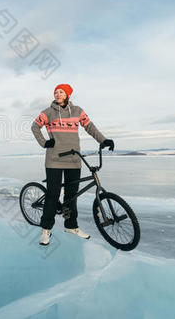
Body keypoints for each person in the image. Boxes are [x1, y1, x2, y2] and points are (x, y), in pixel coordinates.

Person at [31, 84, 114, 246]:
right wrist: (44, 142)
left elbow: (90, 127)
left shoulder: (77, 111)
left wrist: (103, 140)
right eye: (55, 92)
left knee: (71, 195)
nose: (57, 94)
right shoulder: (47, 112)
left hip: (74, 159)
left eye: (61, 91)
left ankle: (71, 226)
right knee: (52, 195)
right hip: (54, 159)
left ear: (68, 94)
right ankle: (46, 229)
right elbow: (35, 127)